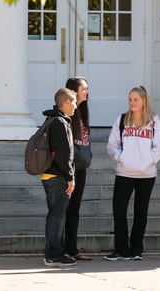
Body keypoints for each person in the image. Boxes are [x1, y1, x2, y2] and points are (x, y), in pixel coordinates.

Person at [104, 86, 160, 261]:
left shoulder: (154, 120)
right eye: (130, 99)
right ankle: (122, 250)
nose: (132, 102)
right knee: (119, 210)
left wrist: (148, 161)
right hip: (124, 172)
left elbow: (158, 148)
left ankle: (137, 250)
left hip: (146, 174)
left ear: (144, 101)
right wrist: (121, 158)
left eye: (136, 99)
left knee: (140, 212)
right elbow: (112, 145)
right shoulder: (122, 120)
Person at [40, 88, 78, 267]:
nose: (76, 107)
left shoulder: (52, 120)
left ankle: (55, 252)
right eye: (74, 103)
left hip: (50, 175)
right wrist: (70, 177)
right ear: (67, 103)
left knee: (54, 215)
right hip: (58, 177)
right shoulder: (60, 123)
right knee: (57, 217)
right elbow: (64, 154)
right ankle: (53, 255)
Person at [64, 77, 93, 261]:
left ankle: (72, 249)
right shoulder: (66, 115)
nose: (87, 92)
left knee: (74, 209)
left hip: (81, 167)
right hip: (68, 169)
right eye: (84, 89)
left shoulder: (82, 112)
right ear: (74, 92)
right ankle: (60, 249)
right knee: (64, 210)